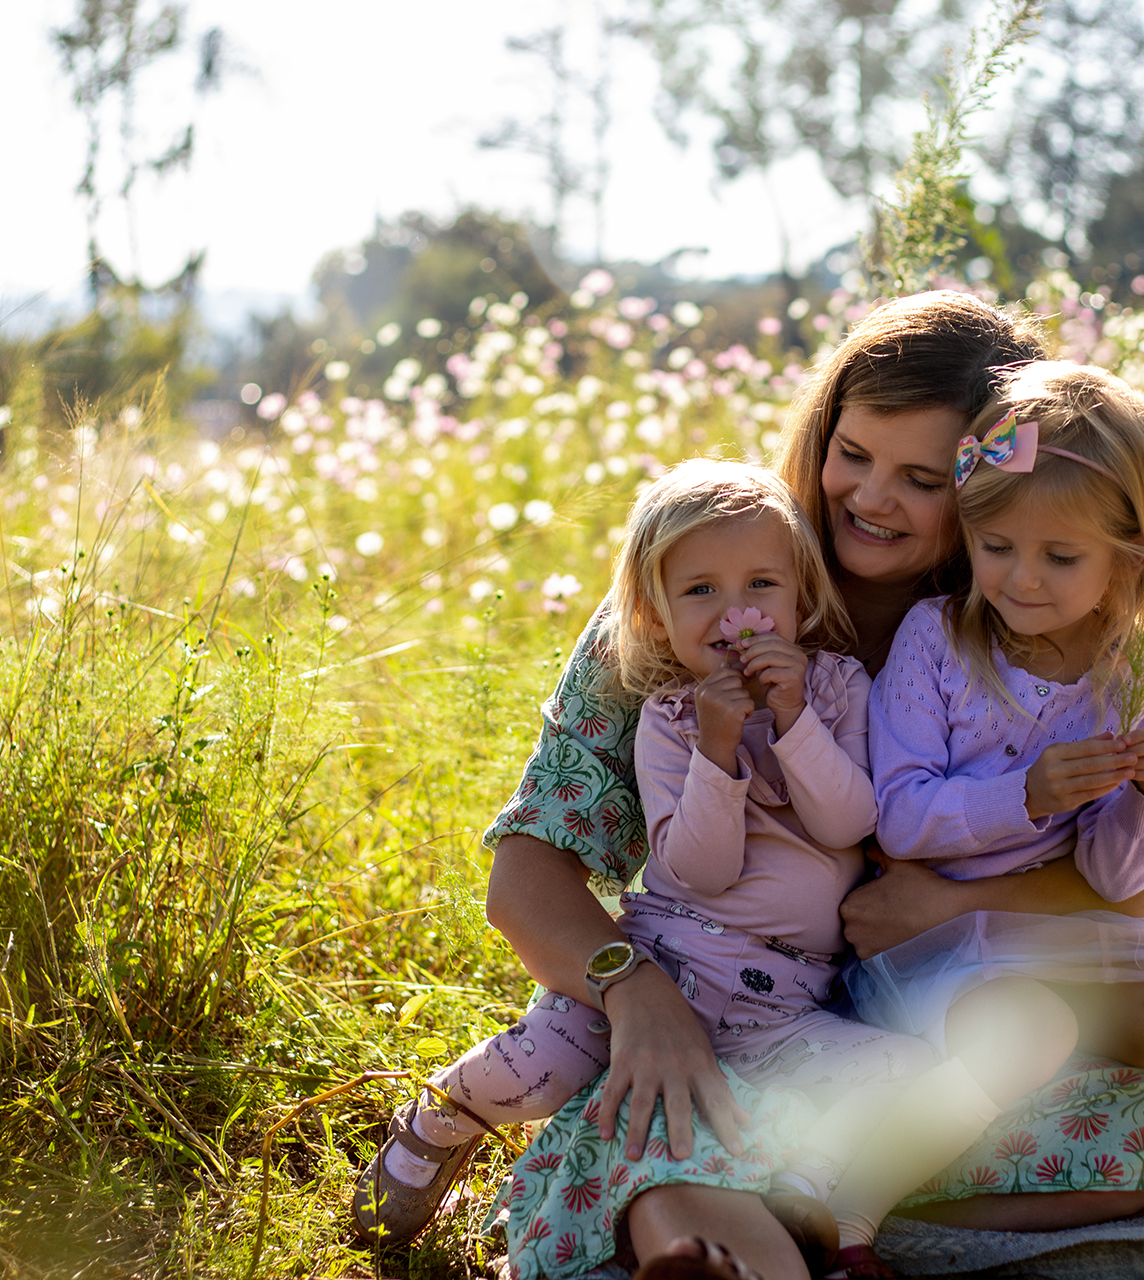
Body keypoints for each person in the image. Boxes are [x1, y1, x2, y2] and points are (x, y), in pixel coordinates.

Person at [382, 293, 1144, 1280]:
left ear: (986, 497)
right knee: (676, 1112)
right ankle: (735, 1246)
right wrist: (637, 994)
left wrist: (957, 900)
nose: (870, 498)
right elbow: (526, 878)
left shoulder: (1038, 636)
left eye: (921, 478)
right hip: (702, 1003)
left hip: (914, 1042)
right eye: (852, 452)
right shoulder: (701, 594)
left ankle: (833, 1212)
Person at [792, 362, 1144, 1263]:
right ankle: (861, 1200)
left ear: (1129, 558)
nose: (1021, 580)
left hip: (1076, 941)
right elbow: (900, 819)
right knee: (1032, 1028)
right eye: (995, 546)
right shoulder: (938, 641)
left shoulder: (1135, 675)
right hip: (940, 957)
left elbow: (1117, 877)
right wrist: (1025, 795)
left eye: (1061, 557)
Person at [354, 460, 940, 1258]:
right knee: (539, 1070)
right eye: (700, 591)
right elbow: (701, 869)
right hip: (664, 964)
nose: (737, 613)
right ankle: (441, 1119)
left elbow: (848, 820)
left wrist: (796, 720)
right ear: (655, 617)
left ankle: (814, 1196)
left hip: (783, 1009)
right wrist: (720, 753)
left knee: (903, 1079)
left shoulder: (836, 689)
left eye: (762, 585)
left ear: (801, 596)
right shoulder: (670, 719)